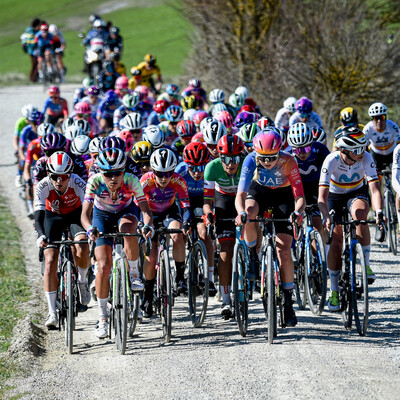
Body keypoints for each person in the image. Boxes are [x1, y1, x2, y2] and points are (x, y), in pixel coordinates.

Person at [235, 129, 306, 327]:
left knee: (283, 249)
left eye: (271, 158)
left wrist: (298, 213)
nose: (266, 162)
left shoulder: (289, 160)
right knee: (249, 214)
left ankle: (288, 302)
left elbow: (299, 196)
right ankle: (251, 256)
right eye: (262, 158)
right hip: (259, 192)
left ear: (279, 152)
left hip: (283, 196)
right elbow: (240, 195)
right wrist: (240, 212)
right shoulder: (250, 160)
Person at [82, 148, 153, 338]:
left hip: (125, 211)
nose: (113, 178)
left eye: (117, 173)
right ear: (101, 173)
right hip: (101, 215)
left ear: (124, 171)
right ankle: (103, 317)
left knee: (128, 229)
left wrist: (146, 226)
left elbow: (145, 210)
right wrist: (90, 229)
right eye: (108, 174)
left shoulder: (131, 180)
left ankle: (134, 274)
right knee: (103, 266)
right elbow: (85, 215)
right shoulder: (95, 182)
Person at [318, 127, 384, 312]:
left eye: (364, 147)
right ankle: (334, 291)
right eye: (357, 149)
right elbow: (321, 198)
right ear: (344, 150)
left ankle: (367, 264)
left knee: (361, 216)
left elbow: (375, 189)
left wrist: (379, 211)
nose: (362, 152)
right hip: (334, 197)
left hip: (356, 192)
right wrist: (326, 217)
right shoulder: (331, 160)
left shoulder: (366, 158)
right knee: (336, 241)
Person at [35, 151, 90, 328]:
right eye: (55, 176)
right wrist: (41, 235)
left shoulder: (78, 182)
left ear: (70, 174)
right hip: (53, 216)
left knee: (82, 244)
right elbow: (38, 217)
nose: (60, 181)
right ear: (48, 175)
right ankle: (52, 312)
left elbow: (88, 211)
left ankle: (82, 282)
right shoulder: (43, 186)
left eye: (64, 176)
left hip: (76, 215)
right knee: (50, 260)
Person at [139, 148, 191, 318]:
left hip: (169, 211)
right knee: (151, 256)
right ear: (153, 171)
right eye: (159, 173)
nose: (163, 178)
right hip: (149, 214)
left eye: (168, 173)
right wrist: (142, 224)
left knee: (177, 235)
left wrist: (187, 221)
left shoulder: (178, 180)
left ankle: (180, 276)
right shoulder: (145, 181)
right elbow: (137, 206)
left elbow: (185, 205)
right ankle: (147, 294)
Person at [203, 135, 245, 317]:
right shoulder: (211, 168)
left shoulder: (247, 163)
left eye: (235, 158)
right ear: (220, 158)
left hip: (244, 198)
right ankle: (226, 300)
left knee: (254, 222)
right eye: (226, 159)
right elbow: (207, 200)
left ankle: (256, 259)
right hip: (224, 202)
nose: (230, 164)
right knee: (226, 251)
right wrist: (209, 214)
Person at [175, 142, 217, 295]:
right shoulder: (179, 171)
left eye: (201, 167)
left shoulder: (211, 170)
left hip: (202, 201)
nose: (197, 173)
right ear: (186, 165)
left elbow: (213, 197)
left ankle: (210, 278)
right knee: (180, 234)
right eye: (192, 168)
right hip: (182, 202)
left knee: (204, 234)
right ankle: (180, 274)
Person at [287, 123, 330, 238]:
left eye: (306, 149)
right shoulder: (287, 154)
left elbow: (331, 167)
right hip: (297, 187)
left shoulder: (320, 149)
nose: (301, 154)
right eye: (297, 151)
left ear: (312, 143)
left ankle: (316, 253)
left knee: (317, 224)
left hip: (316, 186)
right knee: (293, 221)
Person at [363, 102, 399, 179]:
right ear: (372, 119)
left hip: (391, 153)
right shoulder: (368, 129)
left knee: (398, 176)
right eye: (376, 118)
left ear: (385, 117)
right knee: (375, 178)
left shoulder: (393, 126)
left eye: (381, 117)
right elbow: (363, 147)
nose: (379, 121)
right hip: (376, 154)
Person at [20, 18, 41, 82]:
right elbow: (30, 42)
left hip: (33, 50)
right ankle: (33, 79)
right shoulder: (30, 32)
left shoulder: (31, 30)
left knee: (35, 64)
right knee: (35, 64)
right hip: (31, 50)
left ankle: (33, 78)